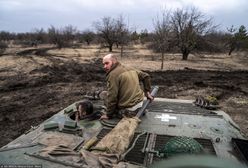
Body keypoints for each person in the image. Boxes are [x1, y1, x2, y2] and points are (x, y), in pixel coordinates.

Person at [100, 54, 154, 120]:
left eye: (107, 63)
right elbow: (146, 76)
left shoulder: (113, 75)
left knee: (104, 95)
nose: (104, 66)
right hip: (140, 105)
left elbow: (112, 97)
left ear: (114, 62)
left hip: (130, 111)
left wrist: (108, 115)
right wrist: (147, 92)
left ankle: (118, 113)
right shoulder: (129, 68)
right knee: (106, 94)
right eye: (104, 64)